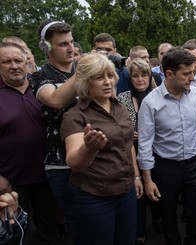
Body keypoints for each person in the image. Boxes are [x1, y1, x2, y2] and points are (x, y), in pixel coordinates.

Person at [60, 53, 143, 245]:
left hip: (126, 191)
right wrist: (89, 148)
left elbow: (127, 144)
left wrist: (136, 176)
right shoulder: (75, 116)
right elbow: (74, 162)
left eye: (110, 76)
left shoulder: (120, 107)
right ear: (85, 82)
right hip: (94, 196)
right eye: (99, 77)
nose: (107, 82)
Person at [138, 47, 196, 245]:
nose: (192, 77)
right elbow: (145, 144)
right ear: (169, 74)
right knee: (168, 216)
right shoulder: (150, 102)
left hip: (195, 164)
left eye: (193, 72)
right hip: (165, 169)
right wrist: (148, 180)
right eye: (187, 73)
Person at [0, 41, 63, 244]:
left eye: (18, 60)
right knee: (17, 233)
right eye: (6, 61)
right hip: (12, 181)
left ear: (27, 61)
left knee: (50, 230)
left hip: (48, 175)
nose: (14, 65)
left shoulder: (44, 88)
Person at [30, 19, 78, 217]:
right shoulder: (40, 76)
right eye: (63, 44)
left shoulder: (80, 70)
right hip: (60, 164)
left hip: (93, 159)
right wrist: (86, 72)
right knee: (74, 219)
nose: (71, 49)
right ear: (46, 47)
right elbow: (55, 100)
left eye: (72, 42)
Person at [117, 58, 159, 245]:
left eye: (144, 75)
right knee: (138, 193)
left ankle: (158, 221)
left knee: (158, 190)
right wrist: (127, 134)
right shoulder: (122, 98)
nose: (140, 79)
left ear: (150, 77)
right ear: (130, 78)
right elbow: (115, 126)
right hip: (131, 153)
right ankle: (140, 231)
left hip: (157, 152)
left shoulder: (159, 95)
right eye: (135, 75)